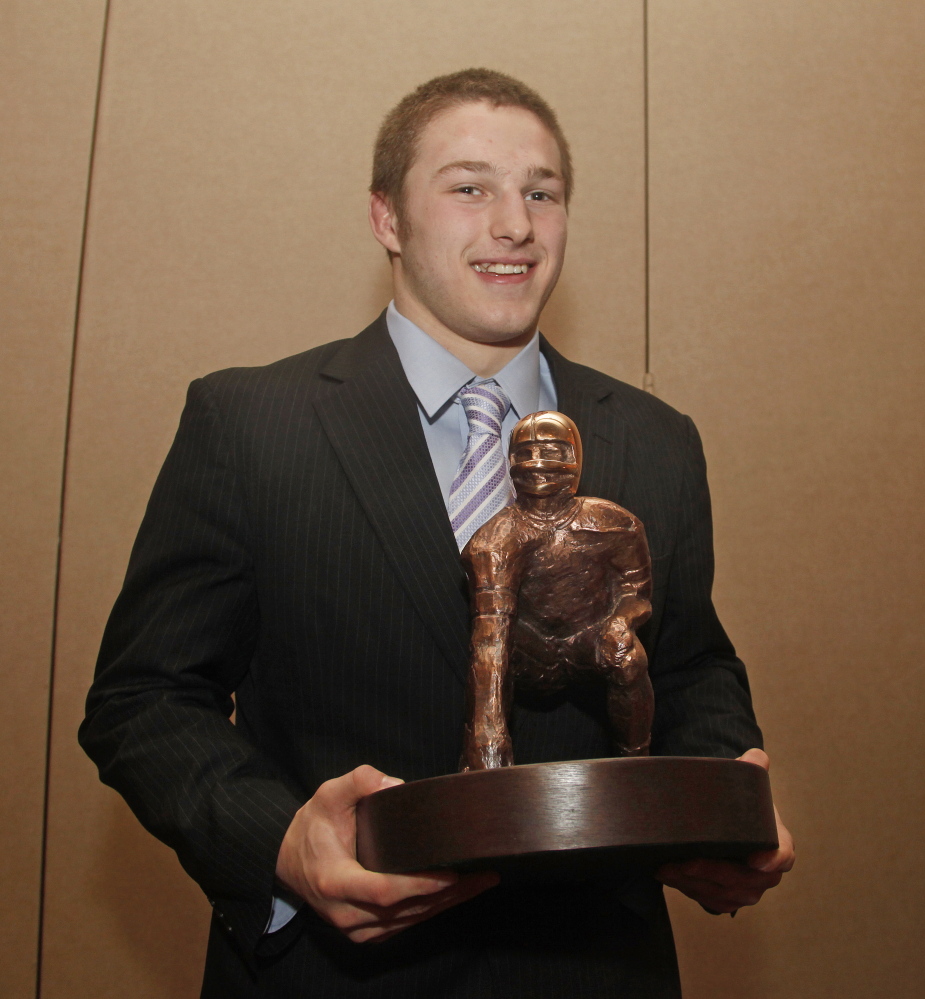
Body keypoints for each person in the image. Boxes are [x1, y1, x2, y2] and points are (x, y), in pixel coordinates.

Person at [80, 68, 794, 998]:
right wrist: (282, 841)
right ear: (386, 218)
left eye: (541, 192)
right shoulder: (251, 422)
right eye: (469, 189)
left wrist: (726, 803)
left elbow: (690, 666)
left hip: (596, 970)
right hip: (340, 976)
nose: (515, 224)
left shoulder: (655, 438)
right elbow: (143, 698)